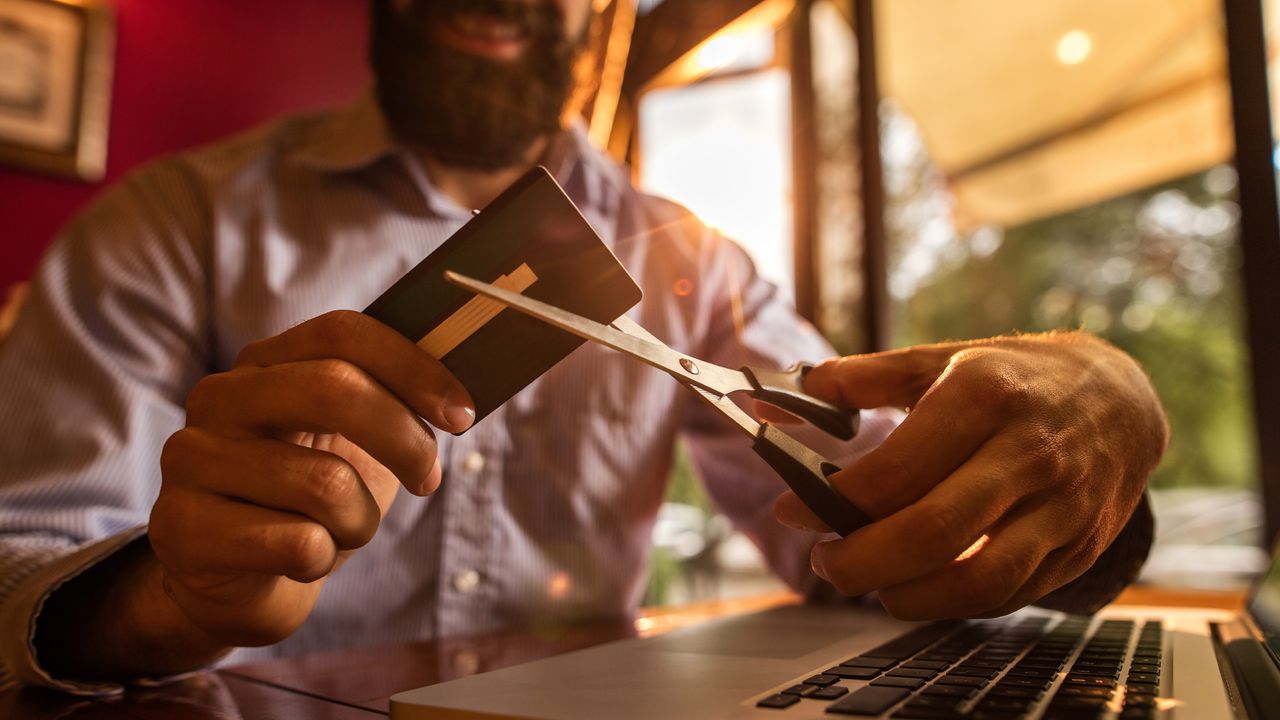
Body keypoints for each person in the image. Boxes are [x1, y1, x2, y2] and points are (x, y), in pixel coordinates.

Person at [0, 0, 1166, 695]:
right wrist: (162, 598)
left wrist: (1068, 418)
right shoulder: (171, 224)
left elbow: (879, 515)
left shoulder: (699, 264)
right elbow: (17, 562)